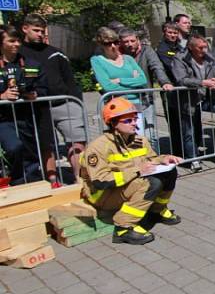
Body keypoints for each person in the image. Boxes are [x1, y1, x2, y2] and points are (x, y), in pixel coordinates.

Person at [80, 97, 182, 245]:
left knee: (169, 172)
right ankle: (123, 228)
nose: (134, 123)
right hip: (102, 194)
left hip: (123, 186)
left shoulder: (139, 140)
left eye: (134, 119)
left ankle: (156, 211)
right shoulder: (98, 147)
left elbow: (151, 159)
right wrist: (137, 171)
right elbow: (101, 181)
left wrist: (164, 159)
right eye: (128, 121)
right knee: (150, 183)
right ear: (113, 123)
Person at [20, 14, 86, 184]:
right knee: (46, 145)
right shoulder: (18, 53)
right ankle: (53, 181)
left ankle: (81, 179)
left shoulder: (56, 53)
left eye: (42, 31)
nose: (40, 34)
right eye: (36, 30)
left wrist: (76, 101)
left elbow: (69, 79)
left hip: (65, 103)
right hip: (39, 107)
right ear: (25, 28)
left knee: (77, 142)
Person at [172, 35, 215, 166]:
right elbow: (181, 79)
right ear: (191, 47)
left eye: (205, 47)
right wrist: (202, 82)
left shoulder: (209, 57)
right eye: (200, 47)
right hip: (188, 100)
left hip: (208, 97)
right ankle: (193, 159)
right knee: (190, 131)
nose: (204, 50)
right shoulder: (180, 59)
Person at [0, 26, 50, 185]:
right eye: (11, 41)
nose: (16, 44)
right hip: (3, 119)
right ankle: (16, 180)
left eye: (18, 41)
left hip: (27, 116)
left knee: (30, 152)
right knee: (14, 147)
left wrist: (33, 94)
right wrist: (2, 96)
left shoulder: (31, 64)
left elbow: (43, 88)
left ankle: (33, 182)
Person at [118, 27, 174, 149]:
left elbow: (156, 66)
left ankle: (154, 160)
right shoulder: (118, 54)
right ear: (121, 42)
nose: (129, 44)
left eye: (132, 41)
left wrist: (164, 82)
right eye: (126, 41)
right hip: (125, 100)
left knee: (149, 134)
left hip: (145, 98)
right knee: (129, 135)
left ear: (137, 39)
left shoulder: (146, 51)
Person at [91, 27, 148, 135]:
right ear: (101, 45)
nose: (113, 46)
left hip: (135, 105)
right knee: (121, 142)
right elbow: (107, 86)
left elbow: (142, 80)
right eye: (108, 43)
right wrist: (133, 84)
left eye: (115, 42)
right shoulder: (96, 60)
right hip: (116, 107)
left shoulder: (128, 59)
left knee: (139, 139)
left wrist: (119, 80)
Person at [156, 22, 192, 164]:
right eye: (170, 32)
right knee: (174, 123)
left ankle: (187, 152)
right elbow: (171, 66)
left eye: (175, 33)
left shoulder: (180, 46)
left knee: (185, 122)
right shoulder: (162, 48)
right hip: (170, 90)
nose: (172, 35)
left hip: (182, 88)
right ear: (165, 32)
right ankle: (178, 153)